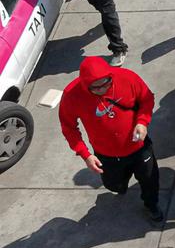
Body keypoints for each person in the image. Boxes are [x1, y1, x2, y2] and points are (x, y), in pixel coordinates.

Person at [59, 56, 162, 220]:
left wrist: (142, 122)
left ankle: (152, 205)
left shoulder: (127, 77)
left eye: (106, 83)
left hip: (138, 147)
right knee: (113, 185)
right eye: (95, 87)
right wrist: (85, 154)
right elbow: (68, 127)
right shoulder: (72, 95)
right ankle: (120, 184)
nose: (101, 89)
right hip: (106, 154)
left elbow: (146, 98)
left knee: (150, 179)